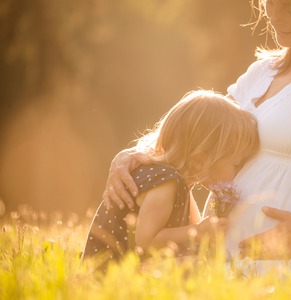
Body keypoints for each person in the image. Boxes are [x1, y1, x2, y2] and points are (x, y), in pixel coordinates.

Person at [102, 0, 291, 277]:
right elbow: (199, 131)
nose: (276, 16)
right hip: (231, 262)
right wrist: (131, 155)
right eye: (271, 3)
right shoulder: (261, 72)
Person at [83, 90, 260, 269]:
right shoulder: (166, 182)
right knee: (196, 267)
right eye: (236, 165)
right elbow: (146, 241)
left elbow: (193, 222)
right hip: (111, 270)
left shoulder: (179, 182)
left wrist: (209, 228)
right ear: (200, 161)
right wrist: (199, 231)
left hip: (128, 265)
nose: (238, 173)